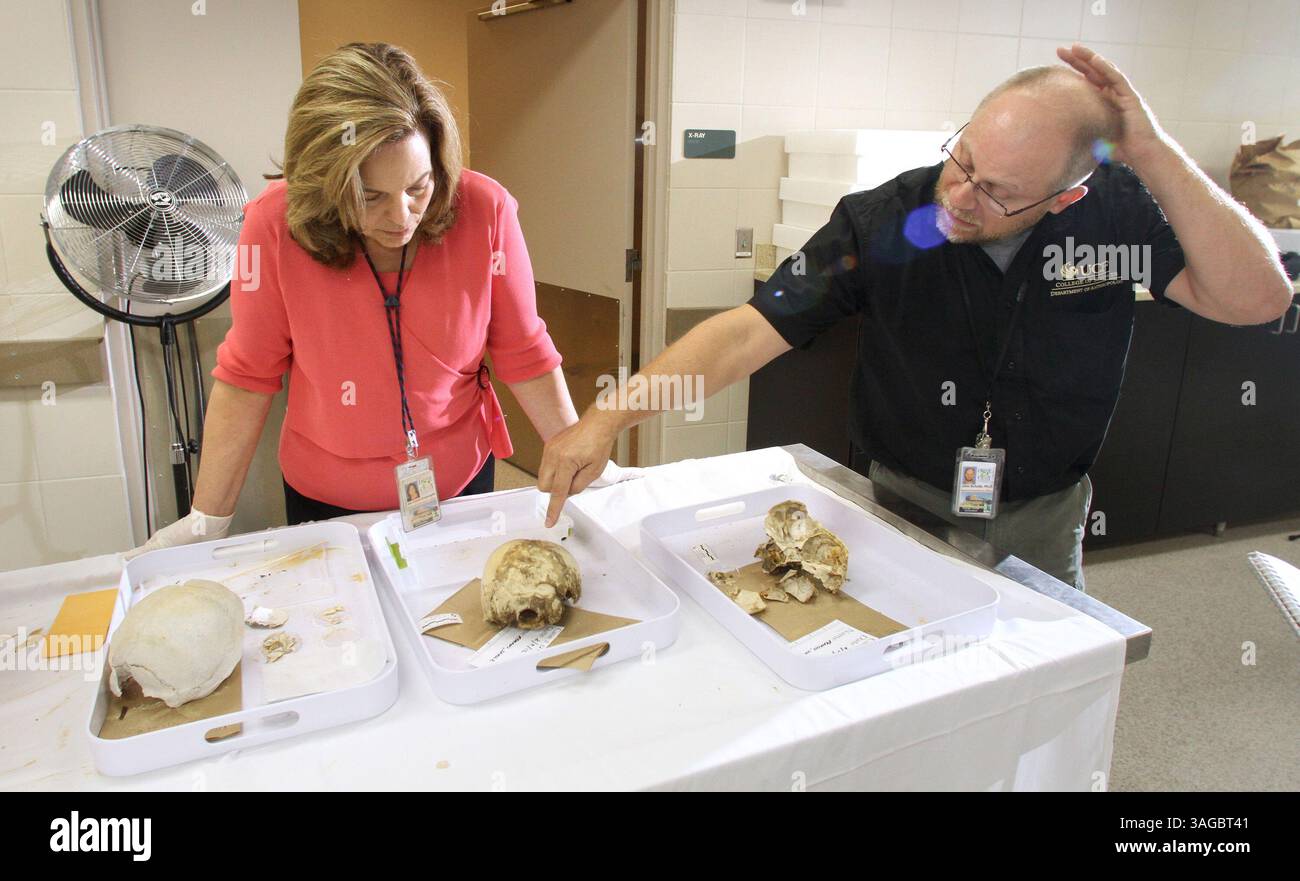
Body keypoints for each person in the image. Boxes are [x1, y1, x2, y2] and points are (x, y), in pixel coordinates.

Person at [536, 45, 1294, 590]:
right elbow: (745, 332)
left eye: (997, 190)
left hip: (1045, 514)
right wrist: (609, 416)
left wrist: (1155, 152)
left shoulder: (1116, 211)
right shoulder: (890, 221)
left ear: (1067, 195)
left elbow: (1259, 299)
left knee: (1039, 696)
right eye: (961, 159)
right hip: (899, 502)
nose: (959, 198)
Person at [127, 42, 598, 556]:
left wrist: (578, 456)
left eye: (418, 186)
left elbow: (523, 350)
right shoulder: (274, 223)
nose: (401, 216)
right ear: (323, 182)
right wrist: (207, 519)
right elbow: (247, 376)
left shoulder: (484, 209)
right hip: (326, 500)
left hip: (458, 486)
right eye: (369, 196)